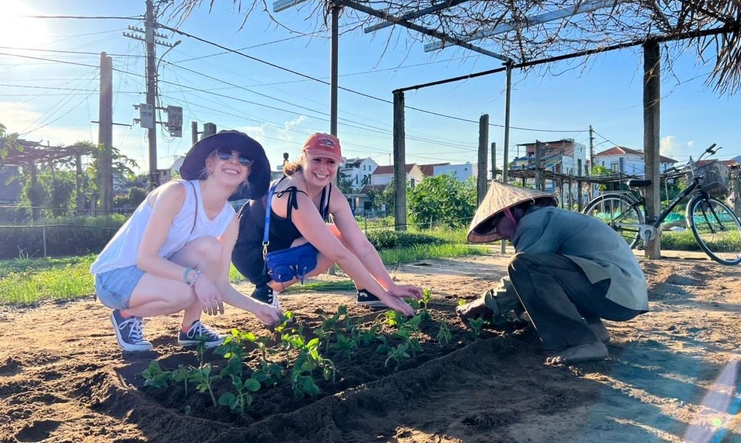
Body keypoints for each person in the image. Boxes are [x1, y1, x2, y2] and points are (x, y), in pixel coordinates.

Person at [91, 130, 282, 352]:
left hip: (157, 274)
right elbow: (145, 259)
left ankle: (190, 328)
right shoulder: (177, 192)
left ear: (248, 173)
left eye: (244, 159)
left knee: (210, 247)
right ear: (209, 164)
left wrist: (258, 308)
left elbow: (219, 284)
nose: (233, 161)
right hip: (116, 277)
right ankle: (126, 316)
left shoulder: (229, 218)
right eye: (225, 154)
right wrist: (195, 277)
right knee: (187, 292)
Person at [457, 182, 648, 365]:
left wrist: (485, 302)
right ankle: (594, 331)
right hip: (623, 293)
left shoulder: (534, 223)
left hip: (615, 291)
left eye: (495, 225)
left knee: (522, 266)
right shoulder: (546, 218)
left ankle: (582, 342)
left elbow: (522, 274)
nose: (499, 233)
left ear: (509, 212)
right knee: (534, 273)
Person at [233, 132, 423, 316]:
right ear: (304, 158)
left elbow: (361, 245)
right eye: (317, 160)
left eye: (330, 162)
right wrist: (386, 297)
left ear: (338, 164)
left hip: (282, 245)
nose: (323, 168)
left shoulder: (331, 194)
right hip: (253, 254)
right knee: (334, 244)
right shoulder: (293, 193)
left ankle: (367, 292)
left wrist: (390, 287)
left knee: (341, 235)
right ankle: (267, 290)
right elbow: (338, 254)